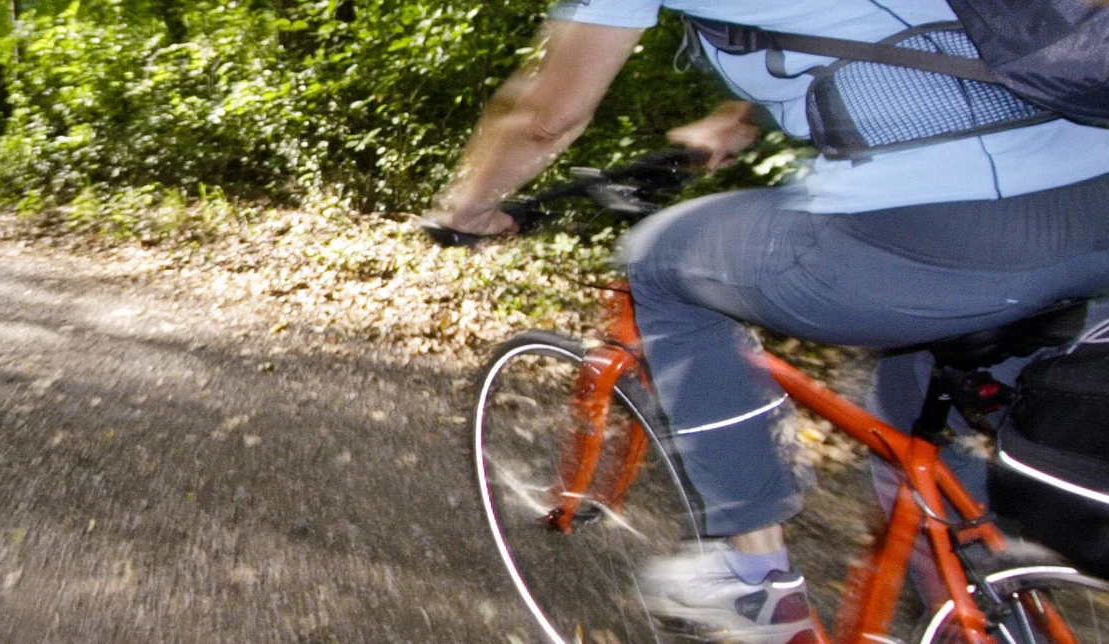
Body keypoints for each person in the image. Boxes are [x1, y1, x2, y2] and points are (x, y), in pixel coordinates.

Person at [425, 0, 1109, 641]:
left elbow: (546, 116)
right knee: (916, 425)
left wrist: (469, 207)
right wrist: (735, 111)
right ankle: (1002, 588)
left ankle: (750, 575)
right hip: (1095, 210)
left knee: (660, 261)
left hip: (946, 233)